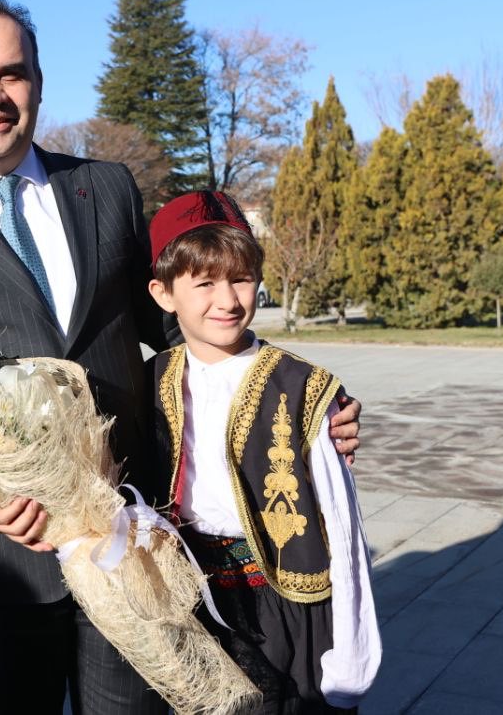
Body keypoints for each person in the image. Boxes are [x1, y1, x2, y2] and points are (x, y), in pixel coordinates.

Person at [0, 0, 362, 714]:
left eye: (11, 73)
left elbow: (180, 328)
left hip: (133, 539)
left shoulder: (107, 189)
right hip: (1, 558)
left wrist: (295, 399)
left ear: (38, 79)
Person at [142, 191, 381, 713]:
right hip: (190, 596)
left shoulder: (303, 387)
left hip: (286, 600)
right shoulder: (151, 379)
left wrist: (353, 655)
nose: (226, 300)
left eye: (241, 279)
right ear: (163, 294)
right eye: (203, 283)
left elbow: (342, 526)